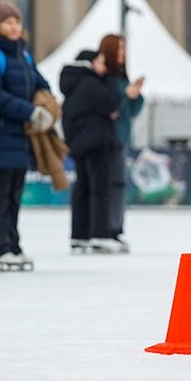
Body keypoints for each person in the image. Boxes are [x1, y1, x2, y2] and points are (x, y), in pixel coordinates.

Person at [0, 0, 53, 271]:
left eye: (17, 21)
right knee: (0, 192)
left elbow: (40, 83)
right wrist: (29, 111)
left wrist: (46, 102)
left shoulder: (24, 55)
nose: (14, 26)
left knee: (15, 192)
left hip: (19, 136)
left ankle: (12, 243)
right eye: (8, 22)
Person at [59, 49, 122, 254]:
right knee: (100, 188)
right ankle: (100, 234)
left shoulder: (73, 84)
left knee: (82, 189)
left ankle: (80, 235)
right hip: (96, 143)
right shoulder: (90, 83)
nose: (104, 68)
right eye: (101, 63)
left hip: (78, 144)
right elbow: (113, 102)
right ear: (89, 64)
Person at [98, 34, 144, 252]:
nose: (122, 54)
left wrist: (134, 96)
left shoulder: (122, 79)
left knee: (119, 185)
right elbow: (111, 106)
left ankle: (116, 228)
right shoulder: (104, 80)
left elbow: (130, 111)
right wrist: (124, 96)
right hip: (108, 139)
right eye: (119, 49)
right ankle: (106, 229)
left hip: (122, 138)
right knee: (110, 184)